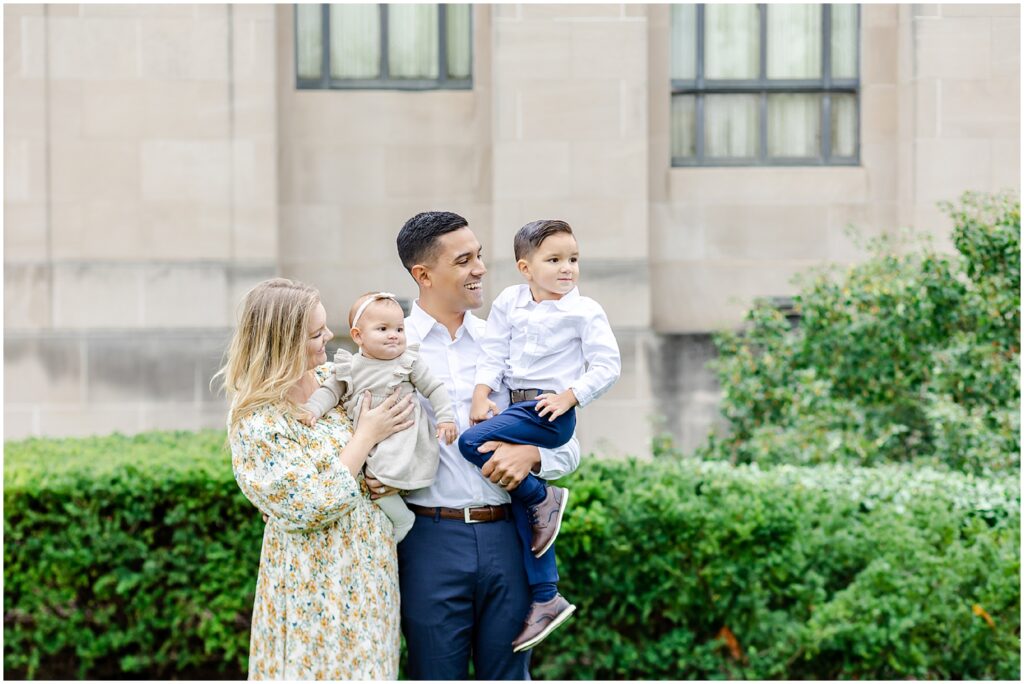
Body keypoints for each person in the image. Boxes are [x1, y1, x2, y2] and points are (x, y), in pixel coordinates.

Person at [365, 211, 580, 679]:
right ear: (423, 275)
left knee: (508, 676)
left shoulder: (509, 344)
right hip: (427, 541)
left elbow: (568, 444)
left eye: (479, 256)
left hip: (510, 537)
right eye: (464, 260)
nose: (481, 268)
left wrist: (533, 455)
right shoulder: (389, 350)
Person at [217, 277, 414, 680]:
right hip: (313, 588)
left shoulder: (332, 379)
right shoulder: (257, 419)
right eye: (314, 332)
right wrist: (365, 438)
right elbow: (309, 504)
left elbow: (382, 452)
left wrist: (391, 480)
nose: (328, 335)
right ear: (282, 341)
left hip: (370, 577)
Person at [459, 219, 621, 652]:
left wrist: (571, 395)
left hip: (550, 412)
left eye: (573, 259)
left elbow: (608, 366)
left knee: (469, 443)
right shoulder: (510, 300)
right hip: (515, 408)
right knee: (522, 514)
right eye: (554, 260)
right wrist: (479, 395)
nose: (567, 268)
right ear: (525, 268)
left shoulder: (584, 310)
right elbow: (493, 352)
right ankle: (547, 598)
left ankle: (543, 496)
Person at [300, 291, 458, 543]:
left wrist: (446, 418)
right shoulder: (349, 367)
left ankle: (402, 518)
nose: (393, 335)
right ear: (358, 336)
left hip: (403, 438)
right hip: (370, 442)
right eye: (382, 329)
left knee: (378, 480)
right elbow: (329, 391)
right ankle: (401, 517)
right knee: (372, 482)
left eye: (399, 328)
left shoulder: (408, 362)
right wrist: (313, 409)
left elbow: (434, 388)